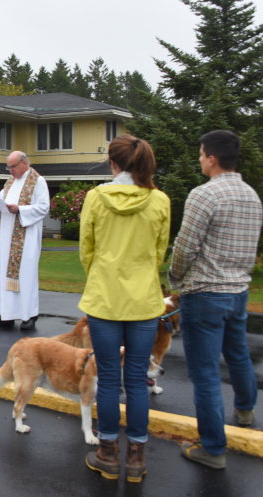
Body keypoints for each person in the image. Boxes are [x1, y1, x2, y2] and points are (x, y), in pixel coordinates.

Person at [79, 134, 170, 483]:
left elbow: (87, 248)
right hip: (144, 302)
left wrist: (102, 276)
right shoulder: (160, 200)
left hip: (104, 299)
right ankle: (136, 457)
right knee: (136, 380)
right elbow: (159, 252)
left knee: (107, 378)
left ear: (113, 163)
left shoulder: (96, 198)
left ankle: (106, 453)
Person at [169, 130, 262, 470]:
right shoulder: (252, 196)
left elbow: (185, 246)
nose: (199, 158)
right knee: (238, 354)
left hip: (205, 292)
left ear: (211, 158)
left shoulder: (204, 195)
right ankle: (246, 409)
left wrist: (174, 279)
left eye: (200, 153)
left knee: (205, 372)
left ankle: (212, 448)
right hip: (239, 291)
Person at [0, 151, 50, 330]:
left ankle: (29, 315)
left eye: (13, 166)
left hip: (26, 237)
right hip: (7, 238)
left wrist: (20, 210)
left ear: (24, 163)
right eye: (8, 167)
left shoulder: (38, 181)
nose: (10, 170)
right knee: (3, 275)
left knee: (26, 275)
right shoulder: (9, 183)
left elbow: (44, 207)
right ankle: (6, 314)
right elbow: (1, 207)